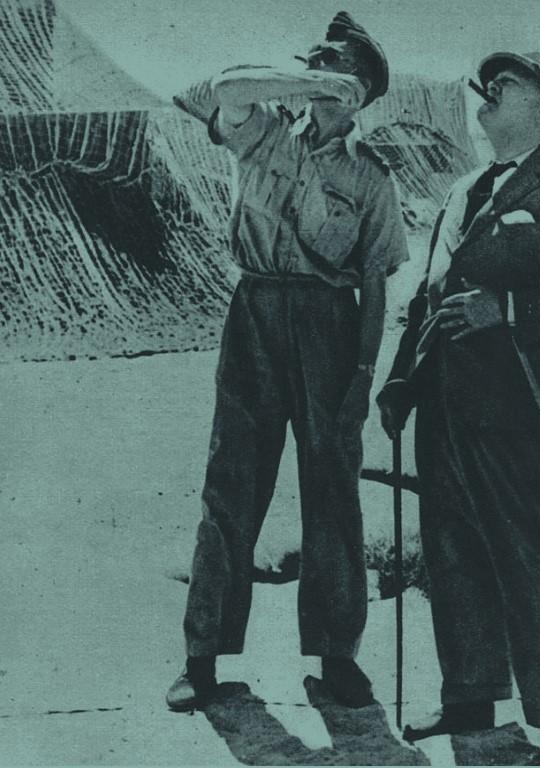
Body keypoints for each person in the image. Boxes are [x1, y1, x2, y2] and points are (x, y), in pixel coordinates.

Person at [377, 51, 540, 765]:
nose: (487, 93)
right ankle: (471, 695)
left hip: (522, 410)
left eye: (507, 85)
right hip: (445, 406)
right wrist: (401, 381)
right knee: (453, 551)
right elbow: (427, 296)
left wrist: (510, 308)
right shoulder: (463, 189)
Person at [165, 11, 409, 712]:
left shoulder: (371, 176)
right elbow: (224, 87)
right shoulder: (263, 128)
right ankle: (202, 658)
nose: (314, 66)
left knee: (333, 490)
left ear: (363, 86)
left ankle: (337, 657)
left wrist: (362, 376)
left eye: (332, 61)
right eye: (312, 59)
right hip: (255, 312)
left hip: (330, 326)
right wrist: (312, 83)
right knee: (231, 483)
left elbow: (374, 284)